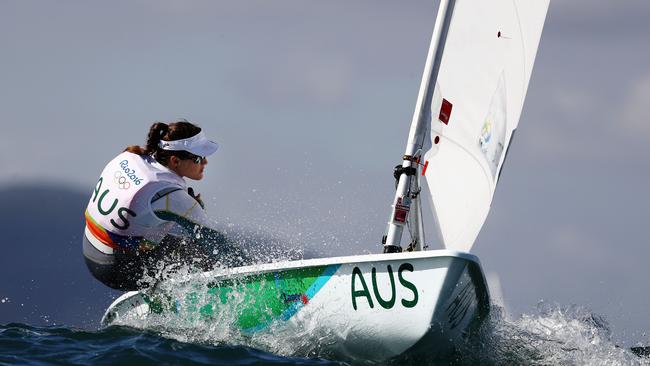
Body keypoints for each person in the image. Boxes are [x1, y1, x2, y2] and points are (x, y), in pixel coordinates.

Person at [83, 119, 246, 290]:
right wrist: (251, 270)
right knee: (201, 255)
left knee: (177, 246)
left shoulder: (130, 156)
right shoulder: (171, 196)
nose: (205, 162)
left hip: (90, 249)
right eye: (199, 158)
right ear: (175, 161)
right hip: (116, 269)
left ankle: (160, 296)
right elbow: (215, 241)